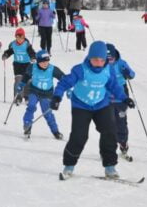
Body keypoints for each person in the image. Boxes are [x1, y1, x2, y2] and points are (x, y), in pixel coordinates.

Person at [50, 41, 135, 179]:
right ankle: (69, 166)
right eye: (95, 59)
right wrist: (57, 97)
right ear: (89, 58)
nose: (99, 63)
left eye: (102, 60)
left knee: (109, 132)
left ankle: (110, 167)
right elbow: (64, 82)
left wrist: (125, 98)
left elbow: (114, 86)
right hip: (81, 105)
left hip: (101, 104)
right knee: (79, 136)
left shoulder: (108, 70)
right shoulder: (80, 70)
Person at [17, 50, 64, 139]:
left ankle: (55, 131)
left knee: (47, 113)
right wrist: (21, 84)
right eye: (43, 62)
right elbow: (26, 76)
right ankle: (27, 125)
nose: (45, 63)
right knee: (31, 106)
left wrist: (67, 88)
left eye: (47, 61)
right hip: (34, 91)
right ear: (38, 61)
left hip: (47, 94)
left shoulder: (53, 69)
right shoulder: (32, 67)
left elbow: (63, 78)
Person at [106, 43, 135, 159]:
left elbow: (132, 74)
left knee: (121, 122)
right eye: (107, 59)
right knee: (108, 123)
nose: (110, 61)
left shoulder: (121, 63)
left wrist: (127, 73)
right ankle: (108, 148)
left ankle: (123, 143)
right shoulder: (101, 64)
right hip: (107, 96)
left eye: (111, 59)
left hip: (121, 95)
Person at [2, 28, 36, 105]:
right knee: (18, 80)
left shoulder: (27, 45)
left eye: (21, 37)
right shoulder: (13, 44)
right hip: (17, 65)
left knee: (28, 81)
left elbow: (32, 52)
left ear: (24, 37)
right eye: (17, 37)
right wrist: (6, 55)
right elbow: (9, 51)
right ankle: (18, 97)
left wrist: (33, 57)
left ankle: (27, 97)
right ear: (15, 37)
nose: (19, 39)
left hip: (27, 65)